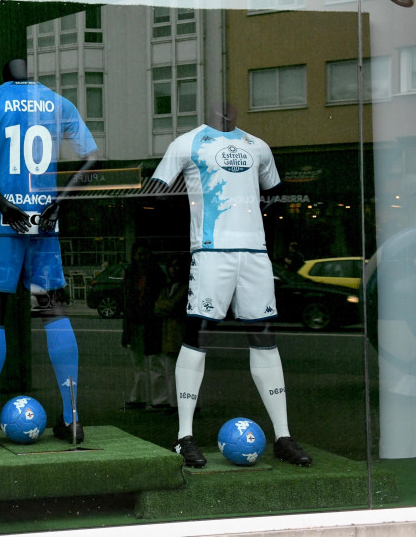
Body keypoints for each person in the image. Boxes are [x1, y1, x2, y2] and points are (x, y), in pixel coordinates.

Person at [0, 58, 98, 450]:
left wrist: (3, 205)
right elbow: (92, 158)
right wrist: (57, 204)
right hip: (44, 226)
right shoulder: (58, 103)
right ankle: (73, 420)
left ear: (2, 74)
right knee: (54, 313)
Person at [152, 102, 312, 468]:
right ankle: (183, 436)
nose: (226, 106)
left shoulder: (258, 145)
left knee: (264, 338)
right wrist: (199, 219)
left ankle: (283, 436)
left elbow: (274, 192)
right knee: (199, 336)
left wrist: (249, 218)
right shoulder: (187, 143)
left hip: (254, 253)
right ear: (205, 105)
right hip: (211, 253)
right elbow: (157, 191)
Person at [121, 243, 167, 410]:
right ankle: (139, 398)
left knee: (154, 361)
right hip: (135, 323)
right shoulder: (130, 273)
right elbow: (127, 302)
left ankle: (159, 400)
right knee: (139, 363)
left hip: (151, 323)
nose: (141, 257)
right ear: (134, 256)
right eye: (139, 254)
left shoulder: (156, 274)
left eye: (144, 254)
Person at [154, 255, 192, 414]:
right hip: (168, 335)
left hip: (183, 335)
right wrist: (167, 306)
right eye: (171, 266)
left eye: (177, 266)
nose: (174, 269)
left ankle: (187, 405)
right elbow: (157, 307)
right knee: (170, 372)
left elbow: (173, 307)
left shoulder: (188, 287)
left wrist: (166, 306)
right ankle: (174, 404)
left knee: (187, 373)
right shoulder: (167, 287)